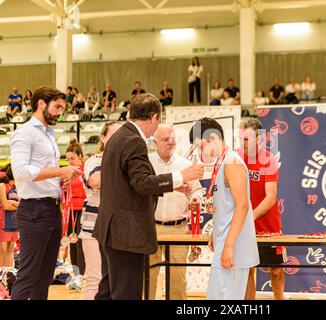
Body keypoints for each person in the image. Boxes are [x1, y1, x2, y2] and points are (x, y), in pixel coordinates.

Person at [92, 93, 204, 300]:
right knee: (126, 293)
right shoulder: (134, 140)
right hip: (126, 233)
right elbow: (141, 183)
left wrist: (171, 186)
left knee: (108, 292)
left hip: (111, 229)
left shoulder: (118, 136)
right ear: (154, 118)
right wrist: (181, 176)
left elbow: (127, 183)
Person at [10, 85, 82, 300]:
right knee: (29, 274)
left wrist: (61, 181)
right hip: (34, 210)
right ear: (41, 103)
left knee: (45, 275)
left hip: (52, 208)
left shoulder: (49, 135)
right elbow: (21, 171)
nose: (61, 112)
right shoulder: (25, 133)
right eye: (57, 107)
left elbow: (42, 174)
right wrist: (61, 170)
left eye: (62, 107)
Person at [189, 117, 259, 300]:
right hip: (227, 241)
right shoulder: (223, 162)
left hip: (233, 245)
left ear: (212, 137)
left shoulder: (232, 162)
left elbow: (242, 205)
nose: (200, 151)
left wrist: (228, 245)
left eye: (200, 145)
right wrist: (216, 234)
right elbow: (227, 206)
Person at [148, 125, 202, 300]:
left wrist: (195, 199)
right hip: (150, 228)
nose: (170, 143)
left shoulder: (185, 165)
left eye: (173, 139)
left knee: (177, 279)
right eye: (165, 140)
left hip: (179, 229)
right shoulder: (146, 163)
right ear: (155, 142)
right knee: (148, 277)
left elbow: (197, 190)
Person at [238, 118, 286, 300]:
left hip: (269, 226)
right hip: (244, 225)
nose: (242, 143)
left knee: (275, 271)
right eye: (240, 138)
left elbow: (271, 197)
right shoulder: (235, 158)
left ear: (259, 139)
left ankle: (279, 298)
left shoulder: (268, 160)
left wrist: (249, 217)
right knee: (247, 271)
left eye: (246, 139)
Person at [80, 121, 122, 300]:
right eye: (113, 136)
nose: (118, 141)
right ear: (103, 138)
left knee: (116, 281)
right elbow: (95, 181)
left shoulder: (125, 160)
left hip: (118, 228)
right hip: (93, 228)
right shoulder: (94, 160)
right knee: (95, 279)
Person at [64, 139, 87, 289]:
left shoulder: (87, 169)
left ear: (80, 156)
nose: (70, 161)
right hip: (70, 210)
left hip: (84, 209)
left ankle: (82, 276)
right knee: (72, 243)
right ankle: (76, 274)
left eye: (72, 158)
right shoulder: (67, 171)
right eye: (67, 159)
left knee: (80, 244)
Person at [0, 165, 19, 268]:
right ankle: (1, 274)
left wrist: (13, 203)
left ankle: (8, 272)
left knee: (11, 248)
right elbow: (5, 205)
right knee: (2, 249)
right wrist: (17, 205)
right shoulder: (2, 185)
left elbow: (22, 204)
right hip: (3, 220)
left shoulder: (17, 187)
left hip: (14, 220)